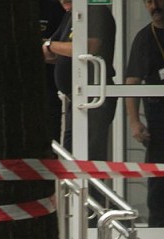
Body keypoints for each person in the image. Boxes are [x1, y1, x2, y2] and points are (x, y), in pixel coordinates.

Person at [125, 0, 164, 227]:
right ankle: (160, 231)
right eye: (148, 2)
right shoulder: (143, 37)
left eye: (158, 0)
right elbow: (132, 81)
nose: (154, 6)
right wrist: (134, 120)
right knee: (160, 182)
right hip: (158, 121)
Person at [43, 0, 117, 161]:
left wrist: (50, 45)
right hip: (75, 97)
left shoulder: (96, 11)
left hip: (94, 96)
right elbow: (52, 50)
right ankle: (79, 186)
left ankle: (92, 187)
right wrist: (51, 47)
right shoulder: (71, 15)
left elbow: (90, 46)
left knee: (89, 158)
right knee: (70, 156)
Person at [40, 0, 67, 142]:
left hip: (49, 88)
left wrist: (48, 47)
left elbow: (62, 50)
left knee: (49, 144)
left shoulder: (56, 7)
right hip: (15, 91)